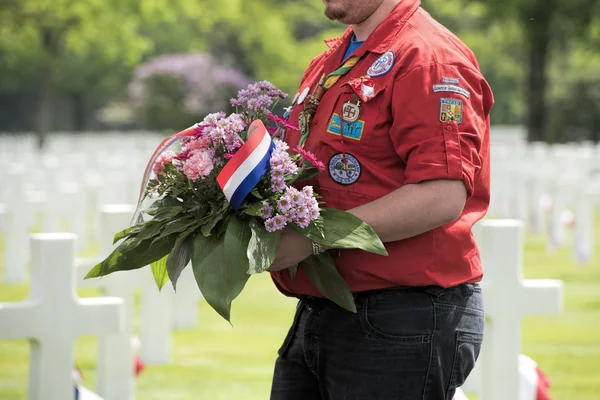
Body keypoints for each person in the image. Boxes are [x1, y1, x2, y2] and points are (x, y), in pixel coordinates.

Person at [268, 0, 494, 399]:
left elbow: (441, 195)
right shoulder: (336, 58)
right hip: (326, 309)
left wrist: (312, 238)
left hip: (404, 314)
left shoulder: (428, 58)